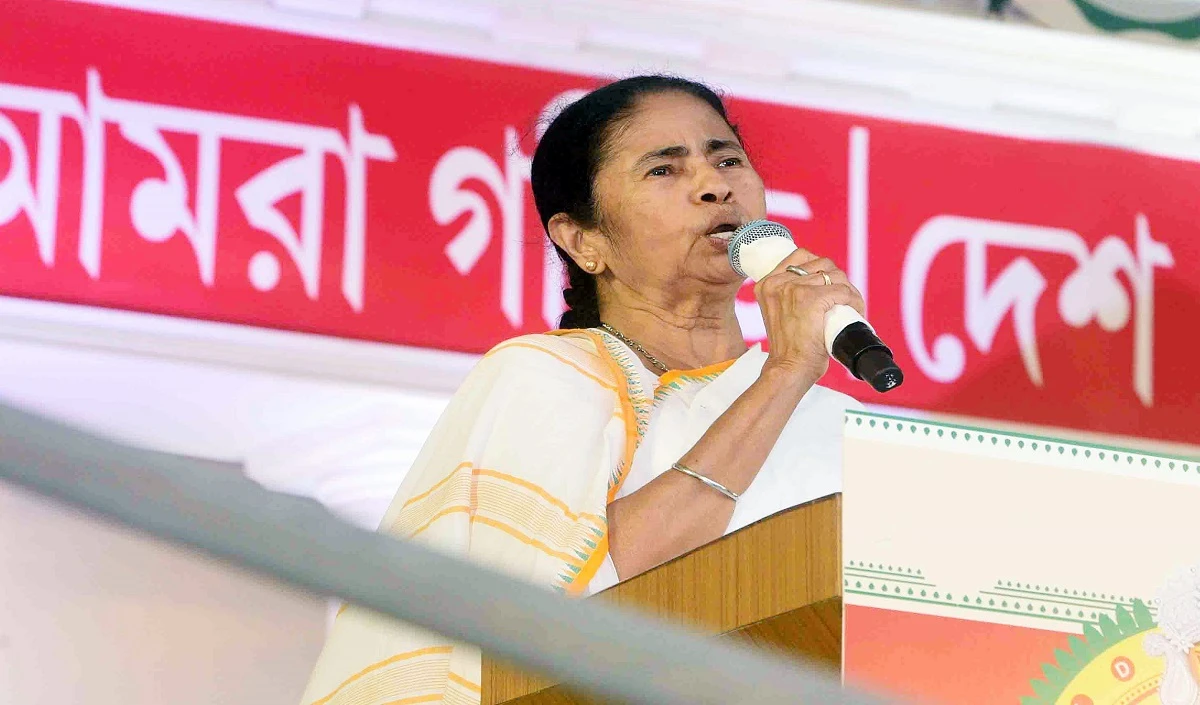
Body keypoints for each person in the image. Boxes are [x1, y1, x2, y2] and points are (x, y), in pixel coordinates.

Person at [298, 74, 864, 705]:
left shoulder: (837, 423)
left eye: (727, 159)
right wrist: (785, 374)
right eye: (663, 170)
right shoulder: (543, 375)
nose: (714, 185)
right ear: (583, 241)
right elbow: (575, 607)